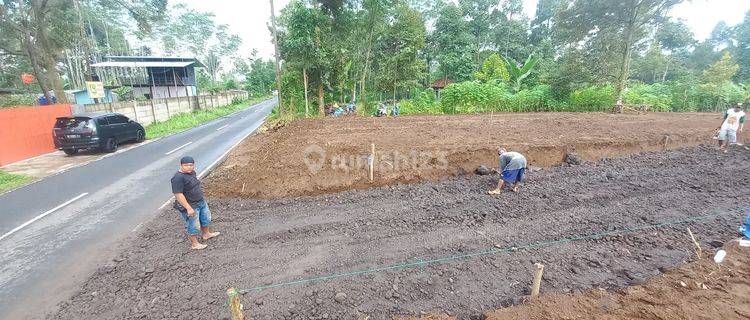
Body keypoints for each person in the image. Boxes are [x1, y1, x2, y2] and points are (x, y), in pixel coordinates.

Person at [171, 156, 220, 250]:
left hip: (200, 202)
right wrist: (188, 208)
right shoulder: (177, 178)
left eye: (191, 165)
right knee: (193, 224)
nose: (189, 167)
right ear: (181, 165)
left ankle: (206, 234)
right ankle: (195, 244)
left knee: (205, 219)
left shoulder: (192, 173)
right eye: (186, 165)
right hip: (191, 205)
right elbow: (178, 194)